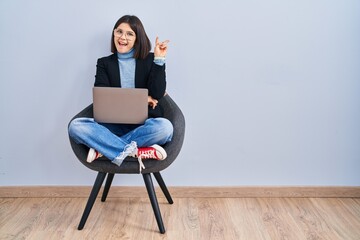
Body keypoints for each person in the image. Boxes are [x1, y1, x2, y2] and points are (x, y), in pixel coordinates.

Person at [68, 15, 173, 172]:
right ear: (114, 34)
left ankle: (104, 150)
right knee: (76, 127)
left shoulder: (150, 60)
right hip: (112, 127)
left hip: (143, 126)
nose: (123, 37)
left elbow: (157, 93)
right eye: (119, 32)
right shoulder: (104, 63)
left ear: (137, 38)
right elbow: (103, 97)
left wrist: (159, 60)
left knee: (165, 128)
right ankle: (136, 152)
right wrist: (142, 98)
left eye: (130, 34)